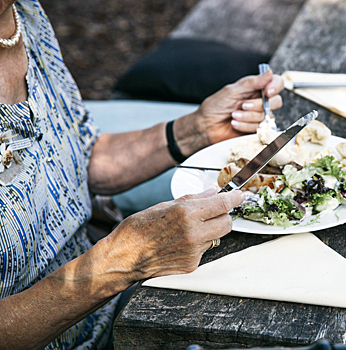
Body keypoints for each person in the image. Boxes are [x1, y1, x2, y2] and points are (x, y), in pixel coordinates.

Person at [0, 1, 284, 349]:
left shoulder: (24, 15)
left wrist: (195, 130)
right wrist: (121, 260)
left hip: (109, 313)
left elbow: (71, 161)